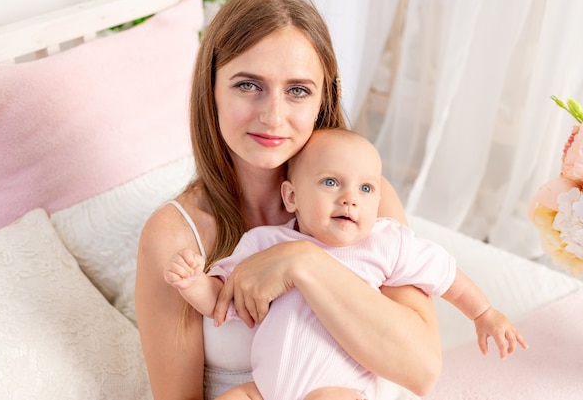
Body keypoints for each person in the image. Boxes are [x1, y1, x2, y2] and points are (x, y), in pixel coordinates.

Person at [135, 0, 442, 400]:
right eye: (248, 85)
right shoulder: (175, 236)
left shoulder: (368, 200)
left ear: (323, 98)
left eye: (297, 90)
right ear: (211, 90)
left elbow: (420, 371)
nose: (273, 116)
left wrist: (300, 260)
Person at [164, 128, 528, 400]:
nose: (350, 199)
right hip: (265, 389)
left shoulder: (385, 243)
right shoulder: (265, 242)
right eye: (331, 182)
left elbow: (445, 275)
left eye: (365, 189)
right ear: (292, 196)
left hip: (335, 389)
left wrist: (483, 313)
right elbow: (222, 300)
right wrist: (193, 283)